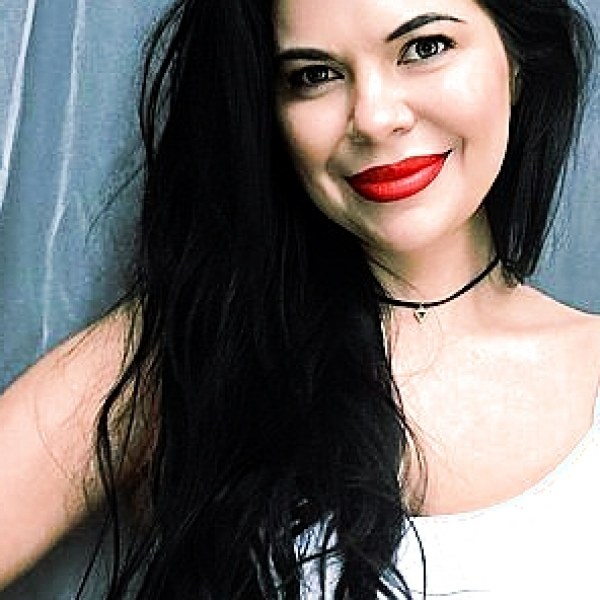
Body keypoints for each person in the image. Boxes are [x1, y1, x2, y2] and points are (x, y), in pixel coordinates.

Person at [0, 0, 597, 597]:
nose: (374, 117)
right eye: (315, 75)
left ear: (515, 61)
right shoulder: (197, 348)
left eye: (425, 48)